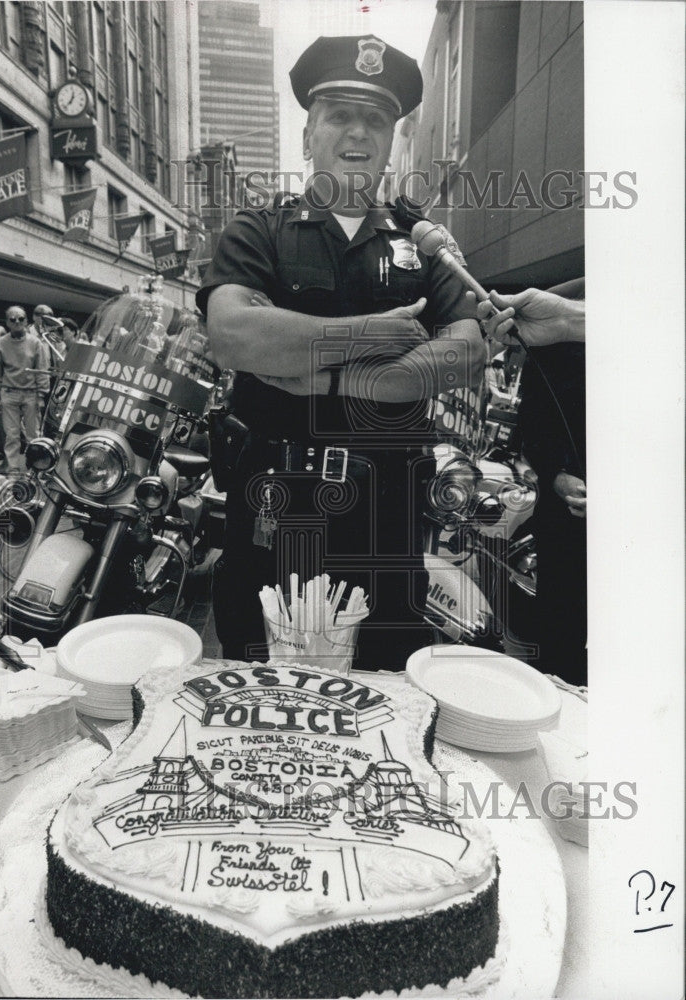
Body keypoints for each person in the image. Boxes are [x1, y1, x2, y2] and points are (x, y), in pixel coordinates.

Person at [198, 35, 484, 669]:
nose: (359, 132)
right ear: (308, 134)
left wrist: (342, 383)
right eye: (339, 115)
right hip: (276, 498)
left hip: (387, 505)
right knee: (259, 675)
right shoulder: (259, 230)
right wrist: (374, 336)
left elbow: (465, 350)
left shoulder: (423, 241)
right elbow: (234, 334)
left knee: (384, 678)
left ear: (389, 139)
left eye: (376, 119)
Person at [479, 281, 586, 684]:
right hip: (568, 526)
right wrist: (558, 477)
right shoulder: (563, 336)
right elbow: (536, 425)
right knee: (561, 646)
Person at [0, 304, 50, 477]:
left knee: (33, 434)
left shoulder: (36, 343)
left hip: (31, 394)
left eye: (21, 319)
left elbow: (42, 370)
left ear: (26, 320)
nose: (17, 322)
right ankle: (13, 468)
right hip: (9, 393)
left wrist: (42, 395)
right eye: (12, 319)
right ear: (7, 322)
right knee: (11, 435)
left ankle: (34, 468)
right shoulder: (0, 344)